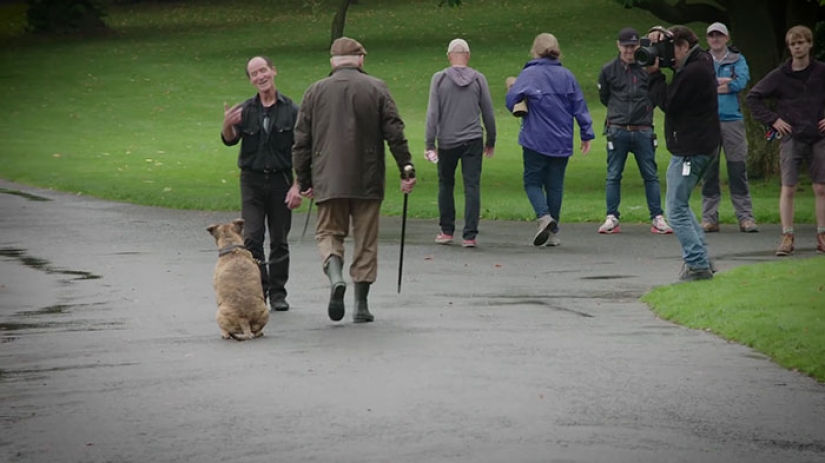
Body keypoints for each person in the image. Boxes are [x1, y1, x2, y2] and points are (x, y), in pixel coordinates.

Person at [292, 37, 417, 323]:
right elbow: (394, 132)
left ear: (333, 62)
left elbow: (301, 141)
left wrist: (304, 179)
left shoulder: (314, 92)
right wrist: (406, 169)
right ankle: (361, 306)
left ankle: (336, 276)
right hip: (367, 178)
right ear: (360, 59)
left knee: (328, 234)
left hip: (328, 178)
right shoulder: (377, 88)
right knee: (366, 241)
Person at [221, 56, 303, 312]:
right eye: (254, 74)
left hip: (281, 180)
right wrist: (226, 124)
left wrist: (298, 185)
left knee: (279, 239)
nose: (260, 77)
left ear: (273, 71)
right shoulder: (246, 110)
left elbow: (302, 149)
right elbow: (230, 139)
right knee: (253, 238)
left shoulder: (291, 109)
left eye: (263, 70)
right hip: (252, 181)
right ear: (251, 80)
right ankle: (259, 290)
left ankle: (278, 293)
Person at [645, 25, 721, 281]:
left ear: (684, 47)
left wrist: (654, 75)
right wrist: (660, 33)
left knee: (675, 210)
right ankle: (701, 259)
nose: (669, 56)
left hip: (691, 149)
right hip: (700, 145)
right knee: (681, 205)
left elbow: (669, 102)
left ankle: (697, 265)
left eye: (671, 49)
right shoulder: (702, 61)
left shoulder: (693, 71)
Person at [505, 33, 594, 247]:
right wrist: (586, 133)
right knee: (555, 186)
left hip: (535, 138)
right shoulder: (567, 75)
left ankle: (544, 217)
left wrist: (515, 93)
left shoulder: (530, 74)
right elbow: (579, 106)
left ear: (534, 51)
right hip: (561, 140)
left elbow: (511, 99)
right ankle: (553, 233)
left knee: (532, 182)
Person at [746, 25, 825, 256]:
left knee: (821, 187)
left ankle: (821, 234)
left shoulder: (821, 71)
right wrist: (773, 120)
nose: (797, 47)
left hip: (819, 136)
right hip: (791, 136)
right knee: (788, 187)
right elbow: (754, 97)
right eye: (793, 44)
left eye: (801, 43)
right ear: (789, 48)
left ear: (810, 44)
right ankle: (787, 235)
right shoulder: (780, 75)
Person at [597, 27, 672, 235]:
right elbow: (605, 97)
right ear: (618, 46)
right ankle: (612, 216)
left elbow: (657, 93)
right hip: (618, 129)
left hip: (643, 128)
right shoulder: (608, 70)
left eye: (633, 46)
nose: (629, 50)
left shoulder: (647, 67)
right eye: (626, 46)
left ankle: (657, 217)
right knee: (613, 175)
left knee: (650, 175)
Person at [425, 38, 497, 248]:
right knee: (472, 185)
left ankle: (447, 231)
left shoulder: (438, 79)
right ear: (468, 55)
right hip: (473, 139)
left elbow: (432, 113)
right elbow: (488, 112)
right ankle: (469, 235)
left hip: (447, 140)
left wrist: (429, 143)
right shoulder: (478, 79)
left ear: (449, 56)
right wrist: (491, 140)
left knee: (445, 184)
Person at [701, 22, 758, 234]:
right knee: (709, 170)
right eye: (711, 35)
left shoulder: (737, 59)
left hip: (732, 120)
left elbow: (741, 81)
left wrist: (722, 85)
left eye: (719, 35)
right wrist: (721, 83)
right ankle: (709, 218)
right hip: (708, 121)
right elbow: (699, 83)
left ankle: (745, 218)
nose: (715, 39)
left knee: (737, 169)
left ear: (726, 38)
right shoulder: (703, 59)